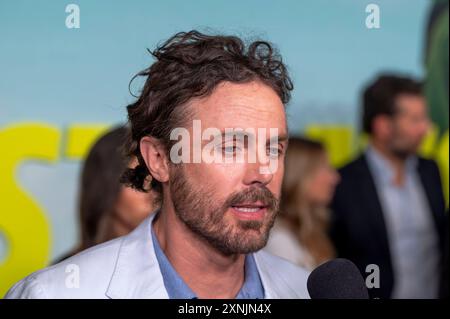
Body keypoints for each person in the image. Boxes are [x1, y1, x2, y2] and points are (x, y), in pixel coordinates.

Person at [5, 30, 310, 299]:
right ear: (159, 160)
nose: (262, 172)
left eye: (273, 148)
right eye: (230, 147)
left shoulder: (306, 290)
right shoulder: (55, 294)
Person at [330, 74, 447, 299]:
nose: (426, 128)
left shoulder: (430, 171)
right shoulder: (343, 183)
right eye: (415, 120)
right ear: (383, 126)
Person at [53, 126, 160, 263]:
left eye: (157, 180)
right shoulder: (64, 275)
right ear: (105, 184)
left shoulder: (170, 271)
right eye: (137, 178)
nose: (152, 192)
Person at [265, 137, 339, 269]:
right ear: (299, 174)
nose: (334, 178)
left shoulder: (309, 229)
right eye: (324, 168)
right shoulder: (279, 240)